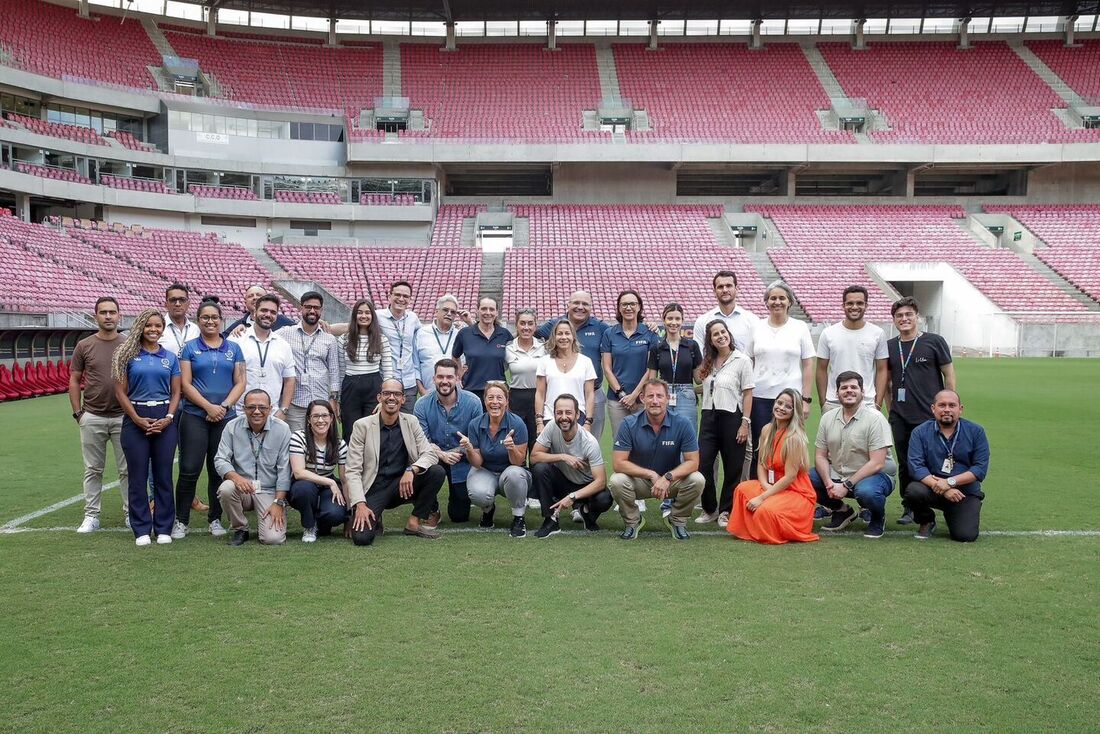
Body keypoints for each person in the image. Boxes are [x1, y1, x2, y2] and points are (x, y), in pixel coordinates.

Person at [173, 297, 247, 539]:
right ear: (198, 320)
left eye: (214, 317)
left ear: (221, 320)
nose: (210, 321)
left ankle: (215, 519)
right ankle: (181, 520)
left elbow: (241, 382)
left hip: (225, 418)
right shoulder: (190, 348)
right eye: (205, 317)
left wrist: (223, 407)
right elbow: (185, 383)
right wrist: (208, 406)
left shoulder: (234, 348)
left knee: (219, 470)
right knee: (189, 469)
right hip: (195, 415)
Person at [345, 378, 446, 545]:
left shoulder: (411, 421)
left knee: (436, 471)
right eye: (387, 393)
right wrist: (360, 504)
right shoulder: (362, 426)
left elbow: (430, 454)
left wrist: (411, 470)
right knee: (362, 538)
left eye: (396, 394)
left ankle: (414, 522)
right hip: (374, 488)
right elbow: (352, 470)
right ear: (379, 397)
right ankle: (373, 517)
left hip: (402, 485)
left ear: (403, 399)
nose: (391, 397)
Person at [113, 308, 181, 547]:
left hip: (164, 418)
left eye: (158, 326)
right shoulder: (127, 355)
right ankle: (141, 528)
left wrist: (169, 417)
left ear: (163, 329)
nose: (153, 330)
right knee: (138, 476)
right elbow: (120, 391)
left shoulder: (170, 357)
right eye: (149, 325)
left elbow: (176, 391)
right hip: (136, 417)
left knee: (163, 475)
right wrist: (136, 418)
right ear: (140, 327)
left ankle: (164, 527)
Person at [886, 297, 956, 525]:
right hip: (900, 415)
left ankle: (940, 502)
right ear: (894, 320)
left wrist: (948, 405)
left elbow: (949, 374)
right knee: (905, 463)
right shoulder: (889, 346)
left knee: (932, 462)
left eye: (908, 315)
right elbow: (886, 381)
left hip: (928, 416)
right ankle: (910, 507)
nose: (904, 319)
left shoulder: (934, 341)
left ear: (917, 317)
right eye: (899, 316)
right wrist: (891, 408)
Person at [609, 379, 705, 541]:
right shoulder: (628, 423)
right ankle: (633, 521)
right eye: (650, 396)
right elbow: (618, 463)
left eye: (660, 396)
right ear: (642, 398)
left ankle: (677, 520)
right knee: (616, 481)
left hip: (670, 482)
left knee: (697, 479)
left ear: (667, 398)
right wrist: (651, 475)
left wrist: (668, 477)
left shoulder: (682, 423)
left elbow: (693, 462)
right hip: (639, 481)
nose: (655, 401)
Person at [728, 389, 819, 544]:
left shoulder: (794, 438)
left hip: (795, 492)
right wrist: (765, 486)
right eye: (779, 402)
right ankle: (754, 527)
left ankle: (770, 526)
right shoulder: (766, 430)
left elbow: (790, 477)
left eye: (788, 406)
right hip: (772, 486)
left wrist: (763, 497)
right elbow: (762, 463)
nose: (781, 408)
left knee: (764, 510)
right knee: (741, 489)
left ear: (794, 411)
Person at [69, 296, 129, 533]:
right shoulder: (84, 345)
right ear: (95, 316)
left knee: (128, 470)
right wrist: (78, 413)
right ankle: (91, 515)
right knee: (93, 469)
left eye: (112, 312)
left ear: (119, 315)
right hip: (92, 415)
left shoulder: (128, 344)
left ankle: (130, 514)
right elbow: (74, 380)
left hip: (123, 417)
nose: (108, 316)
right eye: (103, 312)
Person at [810, 371, 895, 538]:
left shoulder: (875, 419)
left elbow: (877, 463)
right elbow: (820, 456)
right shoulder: (827, 418)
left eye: (854, 387)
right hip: (838, 475)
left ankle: (878, 518)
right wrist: (828, 482)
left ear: (862, 392)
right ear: (837, 393)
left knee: (866, 492)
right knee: (806, 479)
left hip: (874, 476)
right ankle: (842, 511)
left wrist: (846, 485)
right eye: (844, 388)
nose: (849, 390)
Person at [905, 390, 989, 542]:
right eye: (942, 405)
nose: (947, 409)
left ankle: (955, 513)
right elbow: (916, 467)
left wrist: (950, 482)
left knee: (965, 536)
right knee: (913, 490)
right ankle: (927, 520)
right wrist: (944, 489)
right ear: (933, 408)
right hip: (932, 489)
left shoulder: (976, 432)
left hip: (963, 493)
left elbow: (979, 469)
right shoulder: (919, 432)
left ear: (960, 409)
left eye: (952, 405)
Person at [214, 388, 293, 546]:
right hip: (242, 488)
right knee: (226, 488)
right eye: (251, 407)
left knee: (273, 539)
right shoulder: (231, 427)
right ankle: (240, 529)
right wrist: (236, 478)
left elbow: (285, 469)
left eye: (262, 407)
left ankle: (274, 512)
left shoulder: (282, 429)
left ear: (270, 409)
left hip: (269, 490)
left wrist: (278, 502)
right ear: (243, 409)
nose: (257, 411)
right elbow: (220, 459)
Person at [696, 320, 754, 526]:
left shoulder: (742, 360)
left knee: (733, 467)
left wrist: (745, 423)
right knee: (702, 464)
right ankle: (710, 508)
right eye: (715, 334)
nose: (720, 336)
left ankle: (726, 511)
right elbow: (704, 386)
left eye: (723, 332)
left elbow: (748, 393)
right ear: (710, 340)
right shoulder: (708, 362)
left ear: (728, 333)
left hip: (732, 417)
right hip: (708, 418)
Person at [529, 394, 612, 538]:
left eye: (568, 412)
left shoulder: (589, 442)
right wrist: (563, 457)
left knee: (605, 498)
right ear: (554, 414)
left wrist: (573, 497)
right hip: (563, 481)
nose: (563, 417)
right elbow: (534, 457)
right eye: (559, 412)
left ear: (578, 414)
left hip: (585, 486)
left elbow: (600, 481)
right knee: (540, 468)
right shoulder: (551, 427)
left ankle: (586, 512)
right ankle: (551, 520)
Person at [413, 358, 483, 525]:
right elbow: (421, 440)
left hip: (462, 458)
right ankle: (432, 508)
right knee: (416, 463)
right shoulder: (421, 404)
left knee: (459, 516)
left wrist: (454, 452)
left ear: (457, 379)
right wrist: (441, 454)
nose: (445, 381)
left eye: (450, 377)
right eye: (440, 377)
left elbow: (475, 440)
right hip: (432, 457)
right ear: (434, 379)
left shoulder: (473, 402)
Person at [458, 382, 531, 537]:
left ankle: (519, 518)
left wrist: (511, 448)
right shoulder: (475, 424)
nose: (495, 402)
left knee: (515, 475)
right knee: (478, 493)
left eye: (499, 398)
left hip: (511, 471)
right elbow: (477, 463)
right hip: (486, 470)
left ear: (506, 401)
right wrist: (469, 449)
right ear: (485, 402)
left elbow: (518, 462)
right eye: (490, 398)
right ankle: (488, 510)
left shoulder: (517, 423)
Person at [534, 291, 609, 438]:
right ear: (568, 305)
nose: (580, 307)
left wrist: (650, 326)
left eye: (585, 304)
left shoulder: (600, 327)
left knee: (591, 440)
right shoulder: (554, 325)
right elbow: (529, 334)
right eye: (576, 303)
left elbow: (621, 336)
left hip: (593, 392)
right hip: (560, 391)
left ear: (591, 307)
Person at [750, 280, 814, 452]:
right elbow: (750, 361)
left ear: (789, 301)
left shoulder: (800, 327)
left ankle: (789, 480)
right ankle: (760, 479)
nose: (777, 302)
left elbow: (808, 364)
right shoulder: (757, 327)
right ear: (766, 302)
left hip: (790, 398)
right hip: (760, 397)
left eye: (782, 298)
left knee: (789, 448)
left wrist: (806, 400)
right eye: (772, 298)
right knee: (761, 448)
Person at [815, 285, 888, 414]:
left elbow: (882, 369)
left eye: (859, 303)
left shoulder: (878, 333)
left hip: (866, 403)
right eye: (850, 303)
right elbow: (821, 369)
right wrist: (823, 403)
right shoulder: (828, 333)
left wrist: (877, 403)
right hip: (834, 403)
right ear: (843, 305)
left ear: (866, 305)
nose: (854, 307)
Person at [601, 289, 661, 439]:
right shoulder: (609, 333)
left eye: (632, 304)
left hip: (643, 399)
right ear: (619, 308)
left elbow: (651, 368)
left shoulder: (650, 332)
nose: (628, 308)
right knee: (621, 443)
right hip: (617, 400)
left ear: (639, 307)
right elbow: (607, 369)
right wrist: (622, 394)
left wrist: (635, 395)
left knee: (645, 442)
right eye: (624, 304)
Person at [278, 291, 341, 432]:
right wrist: (240, 328)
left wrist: (334, 399)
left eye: (316, 307)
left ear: (321, 310)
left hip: (321, 402)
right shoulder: (285, 333)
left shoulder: (329, 339)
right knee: (296, 443)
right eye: (308, 307)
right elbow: (263, 334)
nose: (312, 311)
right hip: (295, 403)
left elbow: (334, 372)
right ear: (301, 308)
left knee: (321, 444)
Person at [288, 400, 348, 543]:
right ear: (308, 419)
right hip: (303, 484)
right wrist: (330, 481)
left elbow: (345, 480)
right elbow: (298, 472)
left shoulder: (340, 444)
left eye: (324, 416)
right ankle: (309, 525)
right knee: (304, 490)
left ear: (332, 419)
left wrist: (349, 516)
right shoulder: (298, 437)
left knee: (336, 514)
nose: (320, 420)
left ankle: (321, 522)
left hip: (326, 487)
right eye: (315, 416)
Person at [230, 294, 296, 421]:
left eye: (273, 312)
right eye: (264, 310)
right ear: (254, 312)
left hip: (272, 414)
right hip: (240, 413)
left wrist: (284, 410)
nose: (268, 315)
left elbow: (289, 380)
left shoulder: (283, 345)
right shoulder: (236, 339)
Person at [337, 298, 393, 439]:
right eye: (360, 312)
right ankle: (352, 461)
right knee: (351, 431)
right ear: (354, 315)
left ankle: (371, 461)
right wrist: (337, 399)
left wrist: (384, 398)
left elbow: (387, 371)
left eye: (367, 313)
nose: (364, 316)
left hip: (373, 386)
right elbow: (340, 372)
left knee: (372, 432)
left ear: (372, 316)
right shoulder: (344, 339)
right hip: (350, 387)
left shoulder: (381, 339)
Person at [535, 320, 596, 439]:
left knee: (577, 457)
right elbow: (540, 393)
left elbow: (589, 395)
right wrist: (539, 422)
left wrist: (588, 422)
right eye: (560, 334)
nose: (563, 337)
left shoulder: (586, 362)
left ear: (573, 336)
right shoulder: (544, 361)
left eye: (567, 333)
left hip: (578, 418)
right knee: (552, 456)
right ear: (554, 337)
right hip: (550, 418)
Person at [646, 302, 702, 426]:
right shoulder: (657, 348)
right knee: (663, 434)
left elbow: (698, 380)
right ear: (664, 320)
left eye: (677, 318)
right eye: (670, 318)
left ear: (682, 320)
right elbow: (652, 379)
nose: (673, 322)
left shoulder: (692, 346)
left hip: (686, 395)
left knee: (687, 436)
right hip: (663, 394)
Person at [452, 296, 512, 404]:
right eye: (484, 309)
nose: (488, 312)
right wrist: (459, 374)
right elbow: (455, 356)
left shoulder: (504, 334)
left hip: (497, 393)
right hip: (471, 391)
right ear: (477, 311)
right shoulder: (465, 333)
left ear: (497, 312)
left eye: (491, 309)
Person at [505, 308, 546, 452]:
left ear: (535, 326)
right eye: (522, 323)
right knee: (517, 443)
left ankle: (536, 473)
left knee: (537, 444)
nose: (526, 327)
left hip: (539, 398)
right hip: (516, 399)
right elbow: (500, 373)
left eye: (530, 323)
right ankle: (519, 473)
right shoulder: (508, 348)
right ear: (516, 325)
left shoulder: (544, 347)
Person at [377, 280, 421, 412]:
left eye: (406, 296)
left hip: (408, 384)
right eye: (397, 295)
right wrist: (326, 327)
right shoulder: (377, 316)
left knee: (408, 424)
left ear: (410, 299)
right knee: (384, 424)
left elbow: (426, 331)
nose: (401, 299)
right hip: (386, 380)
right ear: (389, 296)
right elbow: (352, 327)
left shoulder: (413, 318)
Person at [693, 270, 756, 355]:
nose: (725, 290)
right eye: (720, 287)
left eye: (729, 286)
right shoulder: (702, 321)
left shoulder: (752, 320)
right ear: (714, 292)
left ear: (737, 289)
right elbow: (699, 356)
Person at [415, 294, 468, 395]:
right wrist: (422, 390)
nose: (449, 314)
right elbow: (415, 366)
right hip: (428, 393)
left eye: (453, 312)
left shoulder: (461, 335)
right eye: (445, 310)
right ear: (436, 311)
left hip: (456, 395)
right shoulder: (421, 334)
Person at [223, 284, 294, 337]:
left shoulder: (283, 322)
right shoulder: (237, 326)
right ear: (245, 302)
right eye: (250, 296)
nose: (255, 298)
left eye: (258, 295)